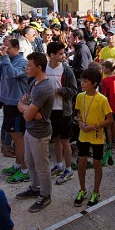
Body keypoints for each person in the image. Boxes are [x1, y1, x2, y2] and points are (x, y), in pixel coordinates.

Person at [0, 36, 29, 184]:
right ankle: (18, 165)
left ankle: (25, 170)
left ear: (16, 48)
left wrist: (4, 58)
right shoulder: (6, 59)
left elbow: (12, 73)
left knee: (18, 139)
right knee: (15, 138)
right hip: (7, 103)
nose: (4, 49)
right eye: (2, 46)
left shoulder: (23, 62)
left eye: (7, 47)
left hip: (17, 105)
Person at [16, 52, 55, 213]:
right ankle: (35, 187)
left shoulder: (43, 88)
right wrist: (29, 109)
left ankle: (45, 195)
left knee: (41, 166)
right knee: (30, 162)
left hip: (39, 133)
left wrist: (28, 110)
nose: (26, 68)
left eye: (29, 66)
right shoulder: (34, 83)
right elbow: (21, 104)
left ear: (39, 67)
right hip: (31, 130)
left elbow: (25, 113)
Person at [73, 66, 113, 207]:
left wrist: (95, 126)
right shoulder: (79, 96)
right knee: (81, 162)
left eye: (85, 81)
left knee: (97, 164)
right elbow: (78, 113)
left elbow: (110, 119)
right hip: (83, 135)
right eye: (82, 81)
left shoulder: (102, 99)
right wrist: (79, 122)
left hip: (96, 136)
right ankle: (82, 190)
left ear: (94, 83)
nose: (82, 83)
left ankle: (96, 192)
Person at [45, 41, 78, 185]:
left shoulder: (66, 70)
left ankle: (68, 169)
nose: (64, 56)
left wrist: (59, 91)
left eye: (64, 53)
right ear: (51, 55)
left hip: (64, 111)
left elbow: (74, 90)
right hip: (49, 111)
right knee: (56, 139)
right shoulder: (44, 68)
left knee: (65, 140)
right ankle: (59, 165)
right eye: (60, 53)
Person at [100, 59, 115, 149]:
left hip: (108, 107)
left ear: (108, 68)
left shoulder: (104, 81)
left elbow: (104, 95)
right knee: (114, 124)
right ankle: (113, 142)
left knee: (108, 127)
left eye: (104, 67)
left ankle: (109, 144)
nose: (102, 69)